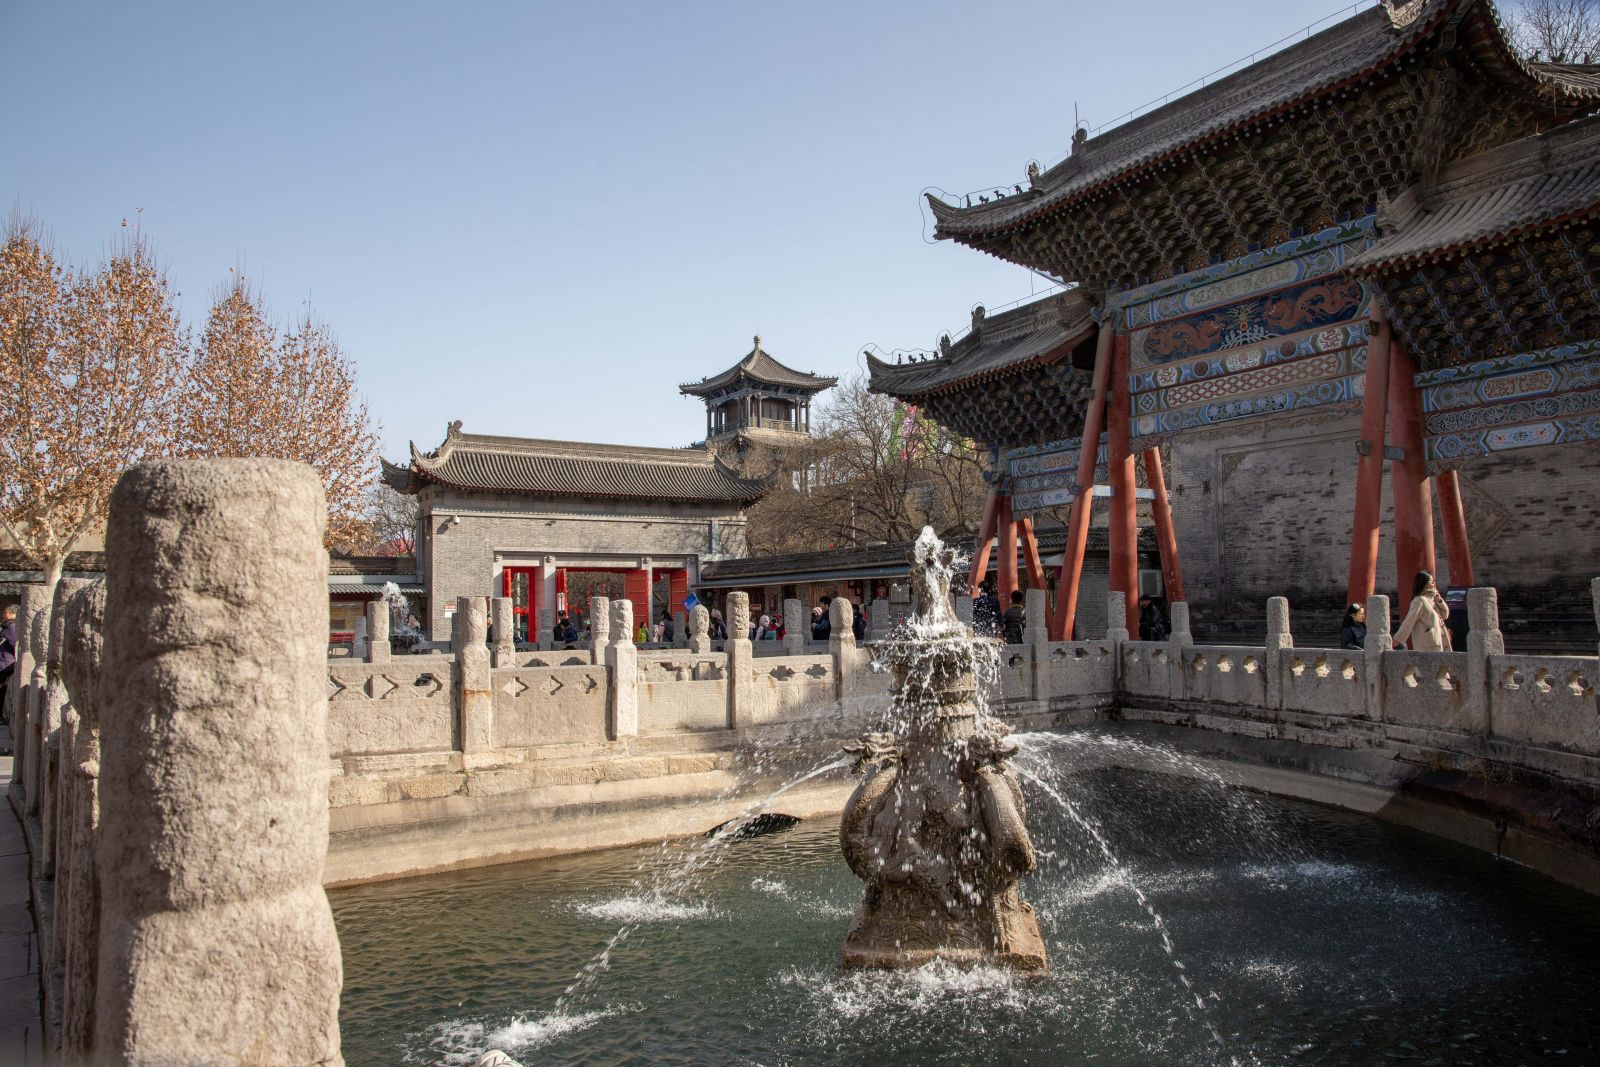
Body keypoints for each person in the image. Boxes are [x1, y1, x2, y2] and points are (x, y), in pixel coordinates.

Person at [1394, 571, 1450, 651]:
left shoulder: (1432, 599)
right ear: (1424, 584)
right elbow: (1409, 621)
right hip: (1429, 645)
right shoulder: (1419, 600)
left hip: (1441, 640)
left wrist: (1439, 600)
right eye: (1431, 582)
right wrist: (1398, 639)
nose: (1434, 584)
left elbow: (1445, 615)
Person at [0, 605, 16, 723]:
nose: (3, 615)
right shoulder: (7, 626)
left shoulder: (11, 627)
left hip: (6, 664)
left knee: (2, 690)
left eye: (6, 613)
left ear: (13, 614)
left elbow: (15, 644)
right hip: (4, 662)